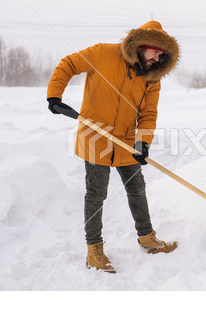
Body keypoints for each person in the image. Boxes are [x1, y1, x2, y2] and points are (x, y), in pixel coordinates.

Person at [46, 21, 180, 274]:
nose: (158, 58)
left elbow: (148, 113)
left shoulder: (152, 77)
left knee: (137, 189)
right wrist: (55, 95)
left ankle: (147, 237)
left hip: (127, 141)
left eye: (163, 55)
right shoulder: (103, 53)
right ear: (142, 46)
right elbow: (69, 64)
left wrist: (143, 142)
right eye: (156, 52)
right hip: (95, 136)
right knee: (96, 194)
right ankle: (94, 250)